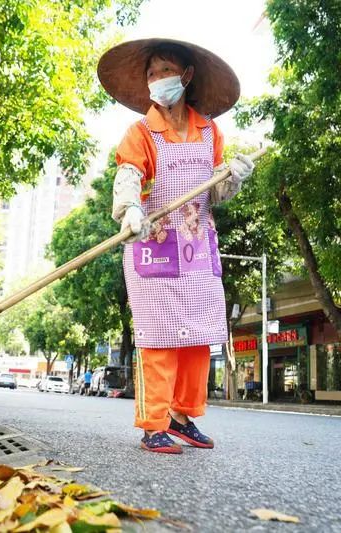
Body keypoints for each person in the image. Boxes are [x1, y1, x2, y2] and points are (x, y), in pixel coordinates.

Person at [97, 39, 254, 454]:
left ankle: (182, 418)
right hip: (153, 245)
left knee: (199, 337)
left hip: (198, 248)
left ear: (185, 76)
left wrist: (232, 177)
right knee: (158, 337)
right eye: (151, 74)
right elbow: (128, 175)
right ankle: (154, 424)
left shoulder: (210, 132)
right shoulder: (141, 132)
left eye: (164, 71)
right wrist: (130, 208)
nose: (156, 80)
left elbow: (216, 194)